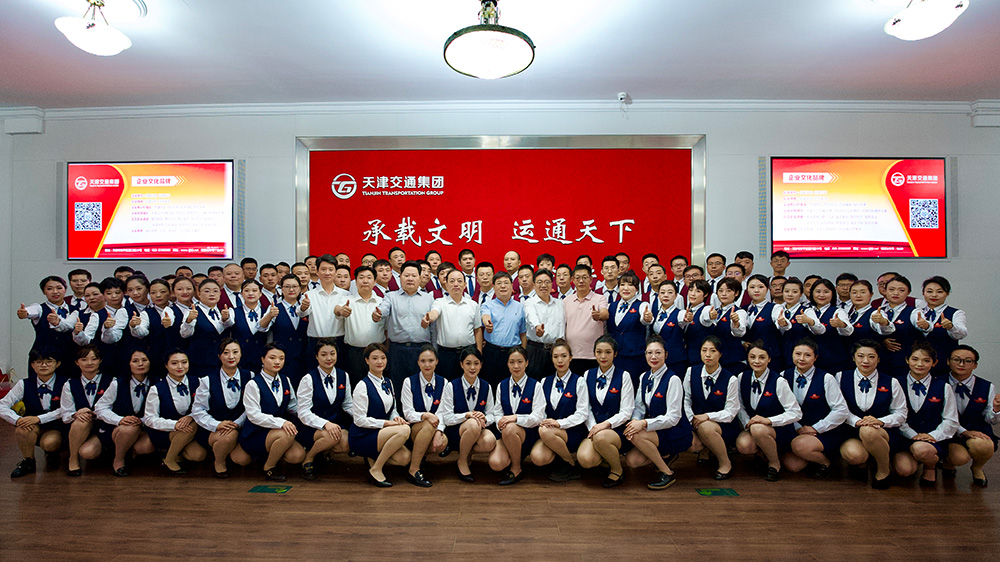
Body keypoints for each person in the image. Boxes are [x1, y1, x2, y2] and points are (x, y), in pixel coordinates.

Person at [624, 336, 692, 490]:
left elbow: (673, 418)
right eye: (649, 353)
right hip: (656, 429)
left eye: (658, 353)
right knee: (632, 461)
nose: (653, 357)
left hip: (675, 432)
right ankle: (666, 455)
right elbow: (639, 407)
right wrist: (634, 422)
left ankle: (666, 472)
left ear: (666, 355)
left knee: (635, 435)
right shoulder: (644, 377)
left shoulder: (673, 379)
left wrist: (643, 423)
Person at [838, 340, 907, 489]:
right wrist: (856, 421)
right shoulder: (840, 377)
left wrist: (880, 421)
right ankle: (862, 465)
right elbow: (837, 408)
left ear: (878, 359)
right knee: (855, 455)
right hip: (851, 430)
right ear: (853, 358)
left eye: (871, 357)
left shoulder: (891, 382)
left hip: (882, 432)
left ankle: (883, 469)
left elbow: (901, 413)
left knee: (868, 431)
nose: (866, 361)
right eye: (860, 356)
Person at [780, 339, 849, 478]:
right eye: (798, 354)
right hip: (795, 429)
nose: (801, 358)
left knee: (800, 447)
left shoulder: (826, 378)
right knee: (793, 466)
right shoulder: (783, 376)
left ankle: (825, 462)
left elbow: (841, 410)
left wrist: (816, 428)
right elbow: (780, 408)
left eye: (807, 355)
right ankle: (809, 456)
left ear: (815, 357)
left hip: (821, 431)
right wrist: (797, 427)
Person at [735, 341, 802, 481]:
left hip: (779, 429)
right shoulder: (742, 377)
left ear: (769, 359)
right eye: (752, 357)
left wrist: (769, 421)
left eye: (762, 357)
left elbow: (796, 412)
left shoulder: (779, 381)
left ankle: (774, 463)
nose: (756, 361)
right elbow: (739, 406)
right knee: (744, 445)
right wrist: (747, 422)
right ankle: (763, 453)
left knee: (794, 466)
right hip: (753, 427)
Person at [894, 342, 958, 487]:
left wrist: (932, 436)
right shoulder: (896, 383)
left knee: (921, 449)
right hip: (904, 438)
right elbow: (895, 414)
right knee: (904, 470)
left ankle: (930, 466)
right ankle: (914, 460)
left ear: (934, 363)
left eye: (926, 360)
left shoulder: (943, 387)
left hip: (932, 439)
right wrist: (912, 435)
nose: (920, 364)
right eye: (915, 359)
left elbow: (950, 420)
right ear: (907, 360)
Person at [348, 343, 412, 487]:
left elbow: (392, 409)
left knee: (404, 458)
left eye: (383, 358)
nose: (380, 362)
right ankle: (376, 469)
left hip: (380, 432)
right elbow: (359, 420)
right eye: (375, 358)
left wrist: (395, 417)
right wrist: (387, 423)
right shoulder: (362, 386)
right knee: (404, 430)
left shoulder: (388, 382)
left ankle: (371, 457)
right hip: (362, 435)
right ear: (367, 361)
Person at [240, 345, 307, 482]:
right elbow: (253, 415)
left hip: (278, 431)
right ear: (262, 359)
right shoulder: (253, 384)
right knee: (288, 434)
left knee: (297, 456)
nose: (277, 362)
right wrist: (281, 422)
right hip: (255, 432)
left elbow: (293, 406)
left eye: (281, 358)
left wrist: (309, 414)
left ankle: (271, 455)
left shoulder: (285, 380)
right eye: (272, 358)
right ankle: (269, 468)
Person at [576, 336, 635, 487]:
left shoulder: (624, 376)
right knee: (585, 459)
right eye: (599, 352)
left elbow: (626, 411)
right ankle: (605, 459)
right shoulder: (587, 375)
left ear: (615, 354)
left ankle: (617, 469)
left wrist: (605, 425)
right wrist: (593, 427)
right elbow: (586, 407)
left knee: (602, 437)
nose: (603, 356)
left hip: (617, 429)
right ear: (594, 353)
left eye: (608, 352)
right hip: (594, 429)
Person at [191, 339, 254, 478]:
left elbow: (252, 407)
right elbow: (198, 410)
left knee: (243, 459)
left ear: (241, 354)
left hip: (241, 427)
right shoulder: (207, 380)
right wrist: (217, 424)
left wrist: (237, 423)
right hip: (215, 430)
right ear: (219, 356)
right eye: (226, 353)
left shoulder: (250, 376)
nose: (231, 356)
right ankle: (219, 462)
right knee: (227, 437)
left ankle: (227, 451)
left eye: (235, 352)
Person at [2, 348, 67, 478]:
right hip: (33, 426)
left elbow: (66, 409)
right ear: (32, 365)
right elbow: (2, 405)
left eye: (49, 361)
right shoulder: (24, 384)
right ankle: (29, 461)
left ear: (57, 364)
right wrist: (17, 419)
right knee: (22, 429)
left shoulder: (66, 383)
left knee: (49, 443)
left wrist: (39, 418)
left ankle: (53, 453)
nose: (44, 365)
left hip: (56, 427)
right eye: (38, 362)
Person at [531, 340, 589, 482]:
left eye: (564, 356)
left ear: (571, 357)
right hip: (550, 431)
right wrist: (545, 421)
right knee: (538, 458)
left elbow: (582, 413)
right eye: (556, 356)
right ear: (551, 359)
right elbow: (540, 409)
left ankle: (569, 464)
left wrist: (559, 424)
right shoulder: (544, 382)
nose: (560, 360)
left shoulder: (579, 381)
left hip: (572, 431)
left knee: (545, 431)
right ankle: (562, 457)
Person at [373, 261, 435, 396]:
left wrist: (434, 350)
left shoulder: (429, 299)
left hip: (421, 349)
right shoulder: (391, 296)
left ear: (420, 277)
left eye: (414, 275)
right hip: (397, 350)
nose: (410, 279)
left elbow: (434, 328)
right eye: (406, 275)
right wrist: (378, 314)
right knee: (398, 386)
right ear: (400, 277)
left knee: (420, 387)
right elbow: (383, 308)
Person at [295, 338, 353, 481]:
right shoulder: (308, 379)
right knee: (331, 436)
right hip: (310, 426)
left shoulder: (343, 376)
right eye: (324, 354)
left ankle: (324, 452)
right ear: (316, 357)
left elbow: (348, 404)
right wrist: (325, 424)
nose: (329, 358)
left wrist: (364, 416)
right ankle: (309, 458)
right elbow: (303, 412)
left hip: (334, 424)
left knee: (347, 442)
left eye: (332, 354)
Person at [683, 336, 740, 480]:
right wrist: (691, 418)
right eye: (704, 350)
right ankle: (706, 449)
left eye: (713, 351)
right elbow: (685, 399)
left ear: (720, 354)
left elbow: (731, 412)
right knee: (692, 444)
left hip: (723, 425)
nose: (708, 354)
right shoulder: (691, 372)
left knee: (706, 427)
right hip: (695, 421)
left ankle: (725, 463)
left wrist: (708, 417)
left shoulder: (731, 379)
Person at [143, 350, 209, 475]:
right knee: (191, 425)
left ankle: (176, 451)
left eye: (184, 362)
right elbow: (149, 419)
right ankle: (170, 459)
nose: (180, 367)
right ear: (166, 365)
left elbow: (205, 406)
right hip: (165, 432)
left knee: (198, 455)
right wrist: (175, 425)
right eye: (174, 363)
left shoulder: (198, 382)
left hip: (190, 432)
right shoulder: (156, 388)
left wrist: (191, 416)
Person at [438, 347, 497, 482]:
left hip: (478, 428)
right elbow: (447, 418)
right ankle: (462, 460)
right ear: (461, 365)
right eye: (468, 363)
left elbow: (492, 415)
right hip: (456, 430)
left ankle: (467, 451)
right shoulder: (451, 386)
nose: (472, 367)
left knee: (490, 441)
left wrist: (484, 418)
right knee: (472, 424)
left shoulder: (486, 386)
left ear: (481, 365)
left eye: (476, 363)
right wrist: (467, 415)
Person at [94, 349, 156, 477]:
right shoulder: (117, 384)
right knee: (129, 429)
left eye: (144, 360)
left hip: (146, 428)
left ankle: (129, 451)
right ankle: (119, 459)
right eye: (135, 361)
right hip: (120, 428)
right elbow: (100, 407)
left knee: (145, 446)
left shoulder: (158, 383)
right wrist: (120, 420)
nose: (140, 364)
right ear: (128, 364)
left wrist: (142, 421)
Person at [944, 345, 999, 487]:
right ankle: (947, 462)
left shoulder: (987, 386)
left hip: (977, 430)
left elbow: (990, 419)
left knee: (984, 445)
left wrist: (995, 410)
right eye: (957, 360)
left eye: (968, 361)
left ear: (975, 365)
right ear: (948, 361)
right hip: (949, 433)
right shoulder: (938, 383)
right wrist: (963, 431)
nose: (961, 364)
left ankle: (977, 467)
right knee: (958, 458)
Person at [489, 346, 545, 486]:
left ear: (527, 363)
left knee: (511, 428)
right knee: (496, 464)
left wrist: (516, 418)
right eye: (512, 362)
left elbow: (538, 417)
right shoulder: (501, 386)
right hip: (506, 433)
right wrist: (501, 422)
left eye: (520, 362)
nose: (516, 366)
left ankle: (516, 467)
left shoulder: (536, 386)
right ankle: (513, 453)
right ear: (507, 364)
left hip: (528, 434)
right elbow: (497, 412)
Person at [399, 345, 447, 487]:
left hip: (434, 428)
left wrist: (439, 431)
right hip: (414, 430)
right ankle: (413, 469)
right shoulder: (408, 382)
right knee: (428, 423)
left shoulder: (444, 383)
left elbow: (443, 412)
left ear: (437, 361)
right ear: (418, 363)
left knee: (443, 442)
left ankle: (419, 458)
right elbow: (408, 413)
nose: (427, 365)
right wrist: (425, 416)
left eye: (431, 360)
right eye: (423, 361)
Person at [60, 345, 111, 476]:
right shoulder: (69, 384)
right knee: (81, 421)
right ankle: (73, 459)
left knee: (88, 452)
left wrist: (95, 413)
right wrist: (76, 414)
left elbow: (115, 409)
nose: (89, 363)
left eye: (94, 359)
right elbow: (65, 415)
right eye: (84, 359)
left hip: (103, 426)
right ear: (77, 362)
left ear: (100, 361)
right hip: (79, 428)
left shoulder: (112, 381)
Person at [426, 268, 484, 380]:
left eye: (459, 281)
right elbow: (434, 312)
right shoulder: (440, 302)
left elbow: (477, 330)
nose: (456, 284)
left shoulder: (473, 305)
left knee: (468, 383)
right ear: (446, 285)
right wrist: (430, 317)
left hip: (468, 352)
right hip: (446, 354)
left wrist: (479, 352)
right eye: (452, 281)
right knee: (446, 384)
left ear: (465, 284)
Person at [335, 265, 386, 387]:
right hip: (354, 353)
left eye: (369, 277)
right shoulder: (347, 300)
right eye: (361, 277)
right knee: (355, 385)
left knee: (377, 386)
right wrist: (341, 310)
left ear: (375, 281)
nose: (365, 281)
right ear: (356, 281)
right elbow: (337, 309)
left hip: (377, 353)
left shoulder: (382, 302)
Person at [16, 275, 77, 374]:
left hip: (69, 357)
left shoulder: (75, 310)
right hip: (42, 358)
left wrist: (58, 322)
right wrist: (25, 313)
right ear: (44, 291)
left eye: (59, 288)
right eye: (49, 289)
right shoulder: (39, 308)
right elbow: (31, 310)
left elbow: (71, 327)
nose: (55, 292)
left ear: (65, 289)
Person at [179, 279, 235, 378]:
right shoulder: (191, 311)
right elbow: (184, 334)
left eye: (215, 291)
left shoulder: (225, 311)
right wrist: (189, 320)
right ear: (199, 294)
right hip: (200, 363)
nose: (212, 294)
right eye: (207, 291)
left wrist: (226, 319)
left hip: (223, 363)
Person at [606, 272, 652, 388]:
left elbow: (645, 319)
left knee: (633, 387)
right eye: (622, 285)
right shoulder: (611, 306)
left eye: (630, 285)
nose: (626, 288)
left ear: (636, 289)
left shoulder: (642, 305)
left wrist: (647, 318)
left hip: (634, 357)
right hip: (615, 356)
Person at [480, 271, 526, 387]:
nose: (503, 286)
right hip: (492, 352)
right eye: (499, 283)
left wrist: (523, 354)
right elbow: (485, 316)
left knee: (512, 384)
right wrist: (487, 323)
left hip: (513, 352)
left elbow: (523, 333)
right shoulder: (487, 305)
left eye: (506, 283)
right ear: (494, 287)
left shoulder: (520, 307)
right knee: (491, 384)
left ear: (512, 286)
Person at [917, 276, 967, 377]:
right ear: (923, 293)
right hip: (917, 365)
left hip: (943, 364)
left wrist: (951, 327)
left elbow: (962, 334)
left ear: (947, 293)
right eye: (929, 291)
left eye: (939, 292)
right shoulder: (916, 312)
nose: (934, 295)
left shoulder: (955, 313)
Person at [563, 264, 609, 374]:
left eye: (584, 277)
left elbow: (605, 314)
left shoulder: (600, 298)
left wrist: (599, 315)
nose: (581, 281)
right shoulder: (566, 301)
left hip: (593, 355)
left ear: (591, 279)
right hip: (571, 355)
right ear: (572, 280)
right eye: (577, 278)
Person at [268, 274, 312, 384]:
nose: (291, 290)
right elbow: (262, 328)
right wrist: (269, 316)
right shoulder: (274, 308)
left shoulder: (307, 308)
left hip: (304, 357)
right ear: (281, 289)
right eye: (287, 287)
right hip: (283, 358)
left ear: (300, 289)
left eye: (295, 286)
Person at [129, 278, 177, 379]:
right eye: (153, 293)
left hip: (178, 357)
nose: (158, 295)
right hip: (157, 357)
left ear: (170, 292)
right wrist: (135, 326)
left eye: (162, 292)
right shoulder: (146, 313)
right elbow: (142, 332)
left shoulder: (178, 310)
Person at [804, 279, 853, 375]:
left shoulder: (838, 311)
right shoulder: (807, 311)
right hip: (809, 361)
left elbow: (849, 331)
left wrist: (842, 324)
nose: (821, 295)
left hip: (833, 360)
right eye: (818, 291)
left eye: (826, 292)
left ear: (832, 294)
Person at [523, 270, 565, 380]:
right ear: (534, 284)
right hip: (536, 350)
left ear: (552, 284)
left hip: (556, 351)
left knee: (555, 382)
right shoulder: (529, 303)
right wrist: (537, 327)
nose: (543, 285)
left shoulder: (560, 303)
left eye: (547, 282)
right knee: (534, 383)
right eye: (539, 282)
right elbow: (531, 316)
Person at [700, 277, 748, 374]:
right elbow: (704, 321)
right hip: (714, 361)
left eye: (728, 291)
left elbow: (739, 332)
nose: (724, 294)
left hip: (732, 360)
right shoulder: (713, 311)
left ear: (736, 293)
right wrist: (710, 316)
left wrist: (736, 323)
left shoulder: (740, 312)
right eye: (720, 290)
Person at [878, 275, 922, 378]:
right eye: (891, 289)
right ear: (885, 291)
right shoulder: (879, 311)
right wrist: (882, 341)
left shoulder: (914, 312)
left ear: (908, 292)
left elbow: (924, 328)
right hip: (880, 361)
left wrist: (925, 325)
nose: (896, 293)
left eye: (901, 290)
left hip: (903, 363)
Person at [227, 279, 272, 374]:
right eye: (247, 291)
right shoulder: (233, 312)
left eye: (254, 290)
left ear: (260, 294)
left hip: (261, 360)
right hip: (241, 360)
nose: (250, 293)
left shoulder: (267, 312)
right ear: (241, 294)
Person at [680, 279, 712, 367]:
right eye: (691, 290)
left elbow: (708, 315)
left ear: (705, 294)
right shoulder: (686, 311)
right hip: (684, 358)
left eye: (698, 291)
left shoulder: (705, 310)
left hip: (699, 359)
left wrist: (711, 315)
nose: (692, 294)